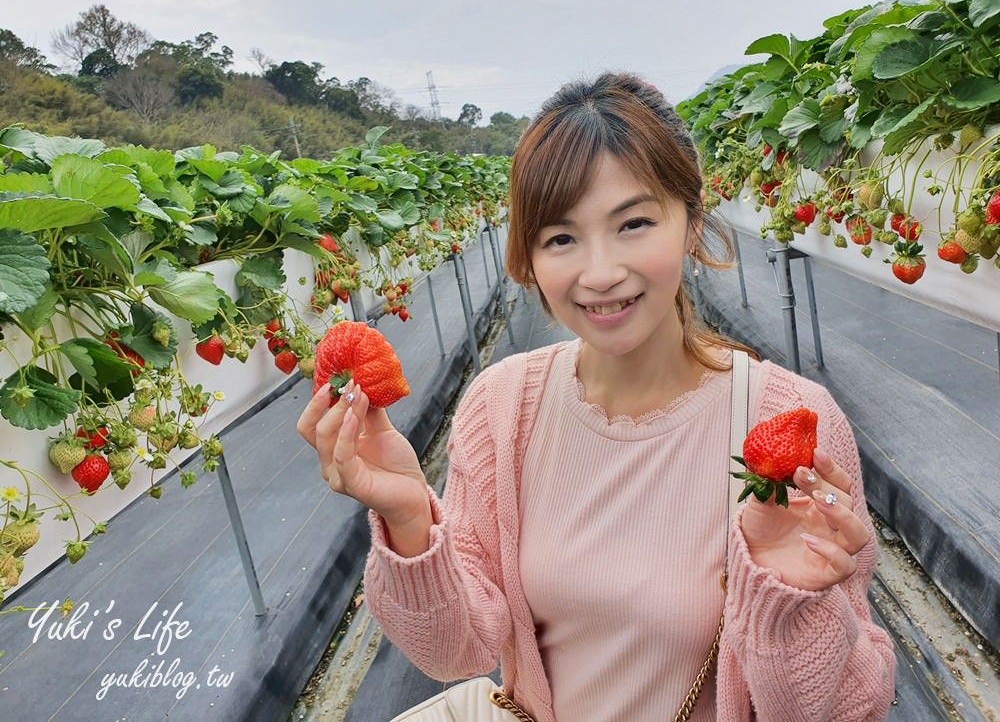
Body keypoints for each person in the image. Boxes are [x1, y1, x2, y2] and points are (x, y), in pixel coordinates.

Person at [297, 71, 896, 721]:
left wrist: (793, 605)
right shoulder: (503, 408)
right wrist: (411, 516)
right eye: (561, 238)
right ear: (529, 256)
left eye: (633, 223)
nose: (601, 272)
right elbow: (456, 653)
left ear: (692, 221)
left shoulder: (790, 421)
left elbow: (846, 711)